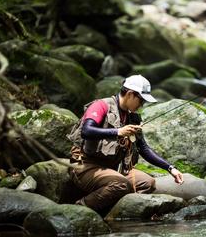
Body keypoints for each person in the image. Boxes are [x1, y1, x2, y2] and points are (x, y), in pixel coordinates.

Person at [67, 74, 184, 213]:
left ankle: (114, 213)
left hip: (113, 169)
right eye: (141, 101)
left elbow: (143, 148)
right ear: (130, 94)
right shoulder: (100, 106)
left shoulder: (132, 118)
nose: (141, 105)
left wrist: (170, 168)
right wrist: (118, 132)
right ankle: (80, 208)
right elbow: (86, 131)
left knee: (148, 183)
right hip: (86, 166)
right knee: (120, 184)